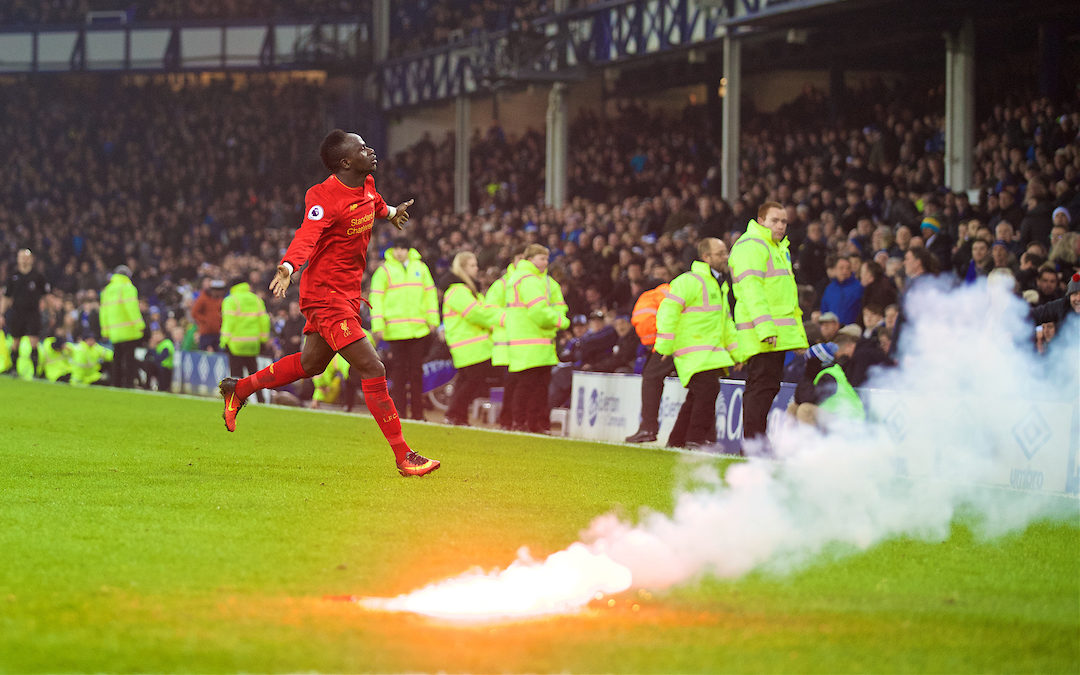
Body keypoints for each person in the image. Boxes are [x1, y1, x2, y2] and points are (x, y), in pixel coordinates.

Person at [217, 129, 439, 477]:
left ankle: (239, 388)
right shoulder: (323, 197)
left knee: (312, 364)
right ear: (345, 161)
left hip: (347, 294)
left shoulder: (366, 185)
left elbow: (376, 204)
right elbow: (307, 234)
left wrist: (392, 212)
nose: (371, 151)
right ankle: (404, 456)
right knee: (372, 367)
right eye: (363, 148)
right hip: (325, 296)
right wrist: (289, 265)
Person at [729, 201, 809, 452]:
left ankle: (755, 443)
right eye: (775, 220)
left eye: (784, 221)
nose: (781, 226)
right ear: (761, 220)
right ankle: (753, 445)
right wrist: (765, 329)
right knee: (761, 387)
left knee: (766, 387)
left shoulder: (777, 248)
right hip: (763, 333)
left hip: (775, 332)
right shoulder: (752, 245)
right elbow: (752, 292)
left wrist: (798, 337)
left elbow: (787, 299)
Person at [654, 237, 737, 450]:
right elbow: (668, 310)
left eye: (725, 252)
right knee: (708, 390)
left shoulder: (720, 285)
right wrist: (664, 344)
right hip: (694, 350)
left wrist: (737, 353)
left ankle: (678, 440)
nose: (725, 257)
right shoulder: (689, 281)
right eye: (720, 254)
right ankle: (695, 440)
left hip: (710, 352)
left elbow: (726, 322)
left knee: (697, 395)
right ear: (706, 257)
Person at [370, 236, 439, 421]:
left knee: (416, 373)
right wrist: (378, 325)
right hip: (396, 331)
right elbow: (376, 299)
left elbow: (430, 295)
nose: (400, 252)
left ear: (409, 250)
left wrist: (433, 319)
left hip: (418, 329)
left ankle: (418, 413)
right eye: (397, 248)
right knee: (399, 374)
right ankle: (399, 412)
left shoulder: (421, 268)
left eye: (403, 248)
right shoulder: (384, 271)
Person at [504, 243, 569, 433]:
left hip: (536, 343)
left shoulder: (537, 280)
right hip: (533, 341)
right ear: (530, 259)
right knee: (531, 386)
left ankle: (526, 423)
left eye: (547, 258)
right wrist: (560, 322)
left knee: (534, 386)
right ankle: (525, 422)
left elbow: (558, 305)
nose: (546, 262)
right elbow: (539, 312)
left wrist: (556, 316)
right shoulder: (530, 280)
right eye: (542, 258)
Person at [441, 251, 499, 426]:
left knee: (467, 381)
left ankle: (458, 416)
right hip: (470, 344)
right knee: (472, 381)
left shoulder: (464, 290)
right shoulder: (458, 291)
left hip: (470, 343)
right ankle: (454, 414)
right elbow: (475, 313)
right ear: (463, 268)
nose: (477, 268)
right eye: (473, 265)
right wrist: (496, 320)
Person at [625, 279, 675, 443]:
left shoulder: (650, 296)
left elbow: (644, 322)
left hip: (669, 343)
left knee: (651, 378)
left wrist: (655, 342)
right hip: (697, 341)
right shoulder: (673, 291)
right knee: (701, 386)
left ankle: (648, 428)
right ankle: (696, 436)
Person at [485, 246, 525, 429]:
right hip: (509, 346)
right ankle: (508, 420)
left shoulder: (534, 283)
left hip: (527, 345)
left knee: (524, 386)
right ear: (513, 260)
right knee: (512, 386)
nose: (523, 262)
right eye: (520, 258)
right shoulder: (502, 284)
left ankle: (518, 420)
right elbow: (490, 311)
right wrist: (513, 320)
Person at [788, 332, 864, 428]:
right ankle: (790, 440)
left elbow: (809, 399)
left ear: (817, 361)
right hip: (835, 416)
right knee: (793, 407)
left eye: (809, 361)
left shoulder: (830, 375)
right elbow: (799, 398)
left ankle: (808, 442)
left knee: (805, 409)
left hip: (850, 420)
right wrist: (808, 376)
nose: (806, 365)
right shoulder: (818, 373)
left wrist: (808, 376)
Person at [220, 276, 271, 403]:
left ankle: (238, 399)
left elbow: (228, 322)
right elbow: (264, 321)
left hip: (236, 344)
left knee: (236, 376)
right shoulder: (257, 299)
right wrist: (263, 340)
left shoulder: (230, 300)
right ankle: (261, 399)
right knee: (254, 375)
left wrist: (224, 341)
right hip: (253, 344)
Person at [2, 249, 50, 378]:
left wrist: (49, 312)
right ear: (18, 259)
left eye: (26, 257)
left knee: (34, 341)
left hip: (33, 313)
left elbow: (46, 296)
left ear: (31, 259)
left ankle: (35, 371)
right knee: (15, 341)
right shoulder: (13, 276)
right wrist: (1, 314)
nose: (24, 259)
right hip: (17, 312)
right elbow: (6, 297)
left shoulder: (38, 276)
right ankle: (13, 369)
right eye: (21, 257)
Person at [100, 265, 145, 388]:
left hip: (114, 331)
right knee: (129, 359)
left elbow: (103, 312)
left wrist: (105, 330)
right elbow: (132, 308)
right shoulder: (128, 288)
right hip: (128, 330)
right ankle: (128, 383)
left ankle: (116, 383)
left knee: (117, 358)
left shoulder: (107, 290)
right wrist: (139, 324)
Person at [820, 256, 863, 326]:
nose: (845, 271)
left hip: (851, 329)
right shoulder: (830, 288)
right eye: (841, 268)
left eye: (848, 268)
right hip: (832, 329)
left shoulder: (859, 287)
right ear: (835, 270)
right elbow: (824, 309)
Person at [140, 327, 174, 392]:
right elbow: (146, 357)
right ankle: (145, 384)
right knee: (143, 363)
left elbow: (159, 359)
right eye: (154, 334)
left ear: (163, 335)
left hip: (165, 369)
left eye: (157, 334)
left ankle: (148, 385)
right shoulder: (157, 344)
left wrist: (153, 349)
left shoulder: (167, 344)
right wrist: (150, 348)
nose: (154, 336)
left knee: (149, 365)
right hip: (158, 368)